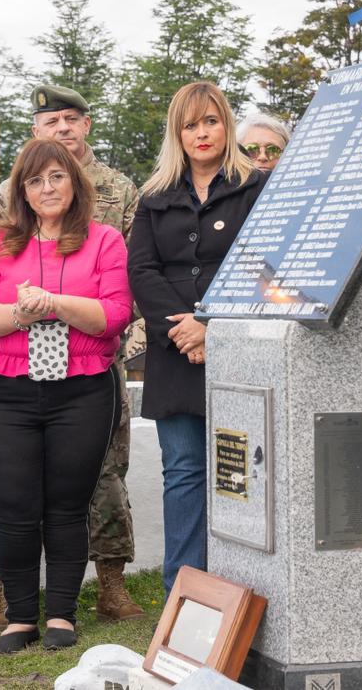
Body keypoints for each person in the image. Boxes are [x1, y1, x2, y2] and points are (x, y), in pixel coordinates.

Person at [0, 83, 144, 624]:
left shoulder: (120, 190)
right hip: (18, 366)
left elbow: (132, 279)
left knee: (103, 474)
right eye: (52, 122)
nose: (63, 129)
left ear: (86, 126)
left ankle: (110, 583)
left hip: (95, 361)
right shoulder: (9, 195)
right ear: (36, 132)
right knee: (14, 483)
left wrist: (122, 343)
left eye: (72, 119)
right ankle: (14, 591)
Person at [128, 81, 265, 594]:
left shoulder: (258, 187)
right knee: (183, 475)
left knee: (244, 476)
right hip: (175, 356)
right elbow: (141, 271)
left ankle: (244, 592)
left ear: (226, 125)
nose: (201, 133)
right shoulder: (153, 196)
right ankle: (181, 596)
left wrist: (212, 324)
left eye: (210, 121)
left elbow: (261, 266)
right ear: (177, 134)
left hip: (242, 355)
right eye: (190, 125)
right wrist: (185, 330)